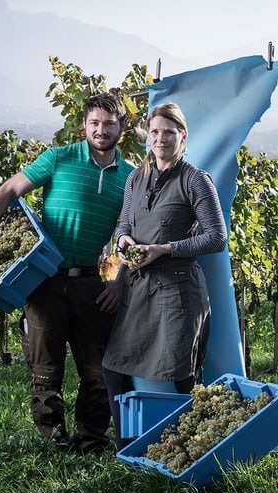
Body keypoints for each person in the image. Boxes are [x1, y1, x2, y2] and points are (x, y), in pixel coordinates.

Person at [0, 92, 134, 455]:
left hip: (91, 282)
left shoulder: (131, 178)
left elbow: (135, 234)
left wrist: (120, 282)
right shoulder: (59, 158)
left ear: (122, 127)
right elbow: (7, 190)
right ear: (84, 125)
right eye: (95, 123)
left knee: (99, 372)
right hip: (44, 281)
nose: (101, 130)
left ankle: (91, 444)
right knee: (45, 372)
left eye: (109, 123)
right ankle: (53, 447)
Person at [102, 102, 228, 450]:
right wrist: (125, 241)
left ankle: (199, 449)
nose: (160, 139)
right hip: (138, 291)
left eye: (168, 133)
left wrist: (163, 249)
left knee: (183, 377)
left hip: (177, 293)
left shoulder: (195, 180)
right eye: (155, 132)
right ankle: (125, 448)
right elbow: (125, 225)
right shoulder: (135, 178)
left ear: (182, 136)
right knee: (114, 368)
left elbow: (216, 237)